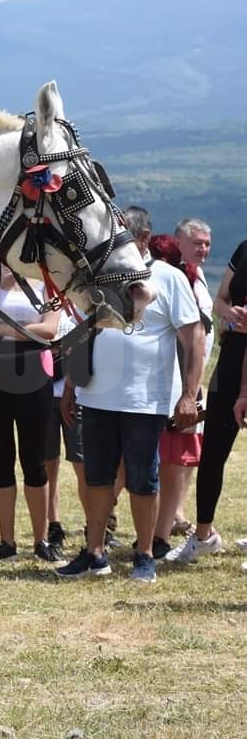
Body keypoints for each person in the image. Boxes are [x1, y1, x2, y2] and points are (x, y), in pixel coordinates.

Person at [55, 206, 204, 583]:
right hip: (97, 396)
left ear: (140, 239)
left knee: (143, 477)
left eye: (120, 237)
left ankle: (144, 554)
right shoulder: (102, 277)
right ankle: (94, 553)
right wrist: (72, 386)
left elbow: (194, 338)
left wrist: (189, 395)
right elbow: (86, 333)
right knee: (97, 477)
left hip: (145, 399)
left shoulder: (169, 278)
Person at [165, 235, 247, 565]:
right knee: (212, 450)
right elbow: (220, 300)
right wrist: (232, 314)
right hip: (232, 359)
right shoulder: (243, 248)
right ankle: (203, 535)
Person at [0, 263, 62, 563]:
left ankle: (41, 540)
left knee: (34, 460)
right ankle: (6, 543)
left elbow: (49, 330)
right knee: (1, 459)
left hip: (34, 371)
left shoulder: (49, 281)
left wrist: (6, 328)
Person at [148, 234, 210, 558]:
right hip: (161, 390)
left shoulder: (184, 285)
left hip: (180, 390)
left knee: (173, 465)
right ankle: (155, 530)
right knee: (164, 465)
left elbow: (200, 340)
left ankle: (160, 531)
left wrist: (190, 392)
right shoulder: (184, 282)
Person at [169, 217, 214, 536]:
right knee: (171, 449)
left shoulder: (200, 278)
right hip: (175, 378)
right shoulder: (175, 277)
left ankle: (176, 512)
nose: (203, 249)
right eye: (197, 242)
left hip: (194, 381)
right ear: (179, 243)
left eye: (207, 243)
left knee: (189, 449)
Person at [43, 312, 86, 552]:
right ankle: (53, 524)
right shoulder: (45, 304)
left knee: (83, 465)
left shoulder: (84, 306)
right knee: (49, 464)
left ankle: (96, 525)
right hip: (46, 392)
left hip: (80, 397)